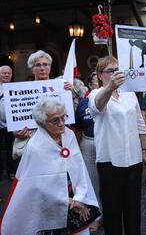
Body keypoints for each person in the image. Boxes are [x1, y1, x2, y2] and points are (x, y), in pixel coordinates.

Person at [0, 96, 99, 234]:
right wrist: (68, 201)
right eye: (55, 120)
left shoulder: (69, 135)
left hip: (74, 198)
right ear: (42, 123)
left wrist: (79, 197)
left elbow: (79, 168)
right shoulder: (35, 147)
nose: (61, 123)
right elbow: (36, 186)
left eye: (63, 117)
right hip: (49, 206)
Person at [88, 56, 146, 235]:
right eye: (110, 71)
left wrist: (144, 151)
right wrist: (110, 87)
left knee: (133, 209)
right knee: (112, 210)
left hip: (134, 159)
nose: (115, 73)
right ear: (100, 75)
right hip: (110, 160)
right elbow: (98, 105)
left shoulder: (130, 94)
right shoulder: (95, 94)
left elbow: (140, 123)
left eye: (117, 70)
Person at [13, 50, 74, 156]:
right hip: (33, 141)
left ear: (50, 67)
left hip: (58, 140)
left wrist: (71, 95)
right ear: (32, 69)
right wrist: (17, 132)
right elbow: (16, 119)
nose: (42, 68)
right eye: (38, 65)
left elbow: (70, 114)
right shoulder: (21, 92)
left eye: (45, 64)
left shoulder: (62, 87)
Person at [75, 71, 101, 232]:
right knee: (92, 182)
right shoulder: (83, 103)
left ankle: (107, 213)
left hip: (107, 145)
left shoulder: (111, 99)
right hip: (88, 143)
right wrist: (77, 147)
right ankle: (96, 217)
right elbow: (78, 127)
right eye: (96, 81)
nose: (99, 83)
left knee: (108, 181)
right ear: (90, 85)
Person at [0, 65, 17, 181]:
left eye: (8, 73)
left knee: (11, 150)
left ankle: (12, 171)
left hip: (12, 126)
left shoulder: (16, 88)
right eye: (4, 73)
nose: (6, 75)